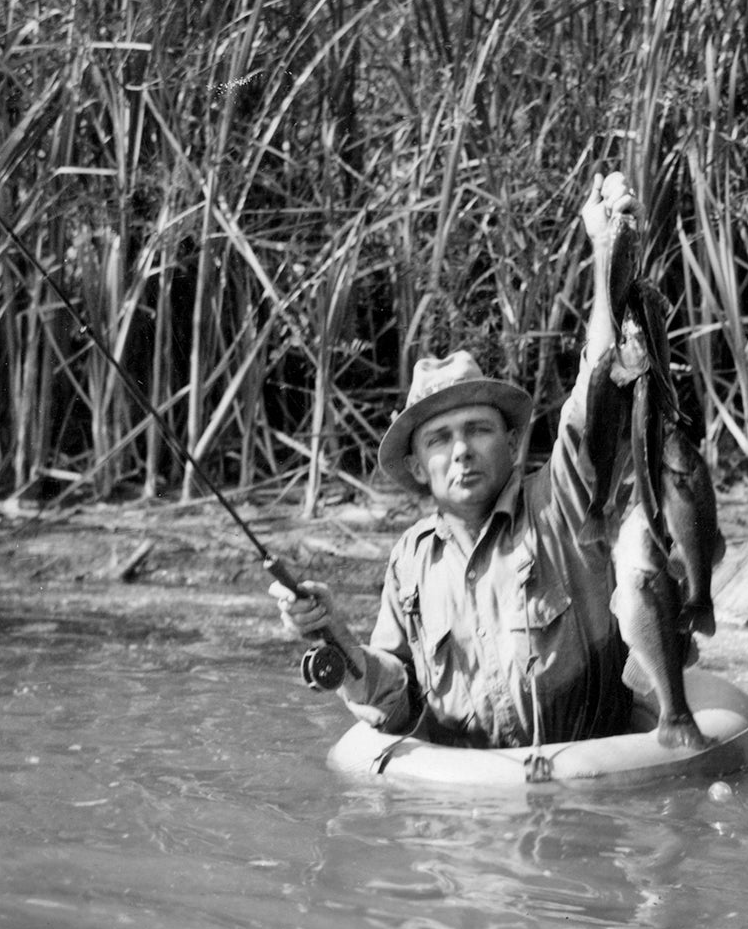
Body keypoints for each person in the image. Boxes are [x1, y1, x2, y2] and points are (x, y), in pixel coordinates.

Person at [271, 174, 647, 748]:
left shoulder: (564, 500)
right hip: (469, 816)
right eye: (440, 439)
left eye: (478, 429)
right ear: (419, 466)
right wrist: (335, 636)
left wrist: (606, 250)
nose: (462, 450)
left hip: (595, 786)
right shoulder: (411, 563)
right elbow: (398, 701)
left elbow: (596, 385)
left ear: (513, 442)